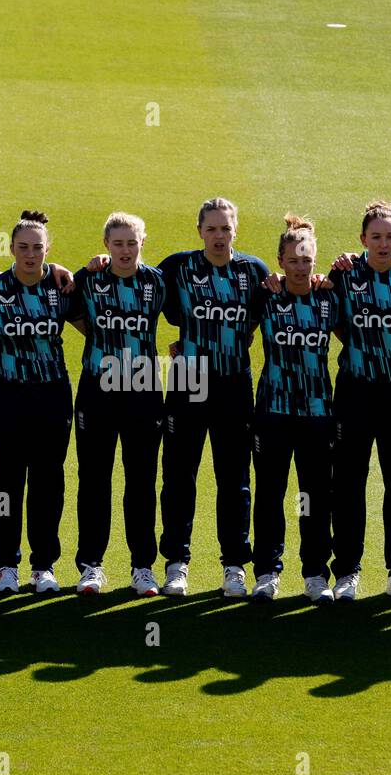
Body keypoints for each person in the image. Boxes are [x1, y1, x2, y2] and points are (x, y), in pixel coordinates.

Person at [154, 198, 270, 597]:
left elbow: (259, 318)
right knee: (179, 476)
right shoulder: (176, 268)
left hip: (234, 384)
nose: (219, 236)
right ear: (199, 230)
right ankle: (176, 564)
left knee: (234, 479)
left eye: (225, 228)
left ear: (236, 229)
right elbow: (133, 278)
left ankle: (235, 565)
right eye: (212, 229)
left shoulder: (253, 272)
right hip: (188, 381)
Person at [325, 201, 391, 603]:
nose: (383, 243)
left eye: (390, 236)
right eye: (375, 236)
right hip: (354, 391)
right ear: (362, 239)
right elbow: (328, 320)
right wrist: (366, 348)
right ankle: (347, 572)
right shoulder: (344, 275)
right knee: (348, 483)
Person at [0, 211, 74, 595]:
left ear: (48, 249)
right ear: (11, 248)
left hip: (52, 397)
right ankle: (5, 564)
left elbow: (94, 330)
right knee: (4, 484)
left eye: (37, 248)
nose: (30, 255)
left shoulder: (64, 288)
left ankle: (43, 564)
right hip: (6, 397)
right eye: (23, 248)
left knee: (48, 482)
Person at [66, 212, 166, 596]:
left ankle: (143, 567)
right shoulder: (89, 278)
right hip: (97, 390)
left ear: (143, 242)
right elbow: (68, 306)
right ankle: (91, 566)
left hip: (142, 390)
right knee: (93, 480)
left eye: (132, 242)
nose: (125, 250)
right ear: (106, 245)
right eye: (118, 243)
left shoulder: (157, 281)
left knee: (141, 481)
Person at [248, 215, 341, 602]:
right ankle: (268, 571)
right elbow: (232, 332)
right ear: (280, 261)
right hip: (273, 411)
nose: (301, 268)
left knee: (312, 496)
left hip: (318, 415)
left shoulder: (329, 297)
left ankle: (315, 573)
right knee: (270, 492)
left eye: (308, 260)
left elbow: (357, 337)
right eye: (294, 260)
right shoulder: (266, 296)